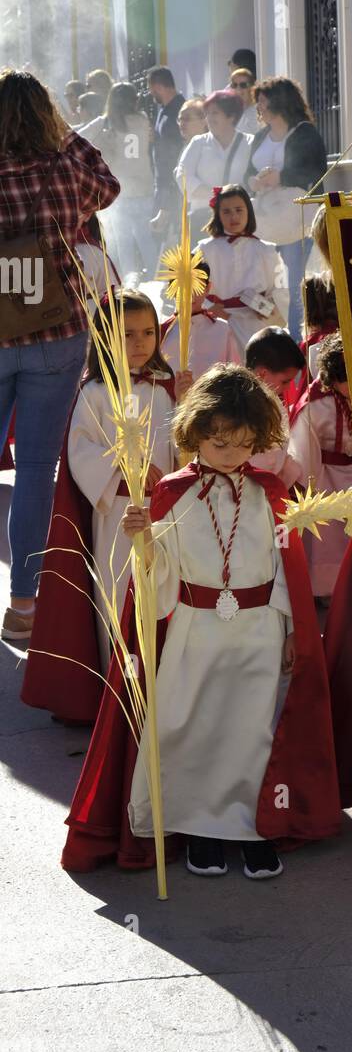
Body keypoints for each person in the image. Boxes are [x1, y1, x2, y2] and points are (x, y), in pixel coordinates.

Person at [61, 363, 342, 877]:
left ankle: (252, 828)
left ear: (259, 436)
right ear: (194, 434)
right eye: (216, 442)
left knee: (250, 729)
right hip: (193, 627)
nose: (229, 453)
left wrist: (290, 628)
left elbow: (287, 567)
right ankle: (198, 829)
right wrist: (143, 539)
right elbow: (159, 572)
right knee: (190, 727)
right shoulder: (171, 492)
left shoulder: (271, 495)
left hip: (257, 628)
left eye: (239, 442)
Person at [21, 290, 192, 723]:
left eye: (149, 332)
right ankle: (118, 693)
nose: (140, 343)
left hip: (164, 514)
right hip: (115, 514)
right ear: (105, 337)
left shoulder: (166, 390)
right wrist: (124, 464)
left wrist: (191, 405)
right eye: (128, 334)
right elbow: (80, 451)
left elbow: (186, 451)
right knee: (117, 595)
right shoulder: (95, 393)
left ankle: (161, 689)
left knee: (164, 594)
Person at [0, 69, 120, 645]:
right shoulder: (65, 166)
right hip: (55, 330)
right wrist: (63, 132)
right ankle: (24, 605)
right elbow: (110, 183)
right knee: (35, 473)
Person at [245, 76, 328, 339]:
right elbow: (247, 171)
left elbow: (316, 171)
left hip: (295, 222)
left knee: (294, 288)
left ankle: (297, 342)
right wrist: (255, 181)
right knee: (267, 287)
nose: (259, 108)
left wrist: (280, 177)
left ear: (280, 102)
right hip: (265, 224)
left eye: (263, 102)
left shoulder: (304, 133)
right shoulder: (260, 137)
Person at [289, 332, 352, 598]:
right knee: (328, 537)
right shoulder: (315, 404)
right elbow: (304, 445)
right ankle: (326, 590)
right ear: (332, 378)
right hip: (325, 479)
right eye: (346, 381)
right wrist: (310, 482)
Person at [198, 185, 287, 352]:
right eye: (226, 212)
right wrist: (208, 306)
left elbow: (279, 288)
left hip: (256, 323)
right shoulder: (205, 250)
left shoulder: (265, 250)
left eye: (239, 210)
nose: (234, 216)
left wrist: (269, 309)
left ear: (249, 211)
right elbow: (185, 286)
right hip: (218, 322)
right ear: (218, 214)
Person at [79, 82, 153, 280]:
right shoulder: (142, 120)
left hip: (119, 192)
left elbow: (78, 138)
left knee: (123, 243)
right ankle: (158, 282)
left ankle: (129, 282)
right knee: (147, 241)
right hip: (143, 187)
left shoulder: (105, 122)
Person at [174, 90, 253, 228]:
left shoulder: (249, 143)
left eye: (215, 113)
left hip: (239, 221)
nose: (209, 118)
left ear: (231, 116)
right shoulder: (198, 143)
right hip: (205, 221)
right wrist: (216, 195)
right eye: (207, 113)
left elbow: (253, 178)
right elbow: (182, 175)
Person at [244, 326, 304, 488]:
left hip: (272, 488)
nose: (287, 387)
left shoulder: (274, 403)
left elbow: (278, 455)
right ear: (262, 374)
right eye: (285, 381)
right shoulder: (238, 407)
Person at [160, 260, 241, 379]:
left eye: (196, 287)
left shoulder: (222, 329)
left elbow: (235, 373)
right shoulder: (162, 332)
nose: (190, 295)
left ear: (207, 288)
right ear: (171, 289)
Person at [147, 66, 185, 259]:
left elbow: (178, 150)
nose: (150, 93)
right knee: (158, 234)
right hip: (161, 181)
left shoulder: (180, 110)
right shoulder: (162, 109)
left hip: (172, 184)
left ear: (159, 86)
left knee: (171, 235)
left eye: (151, 88)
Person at [229, 67, 260, 135]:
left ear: (252, 87)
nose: (238, 89)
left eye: (243, 85)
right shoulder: (228, 113)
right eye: (234, 85)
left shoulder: (260, 111)